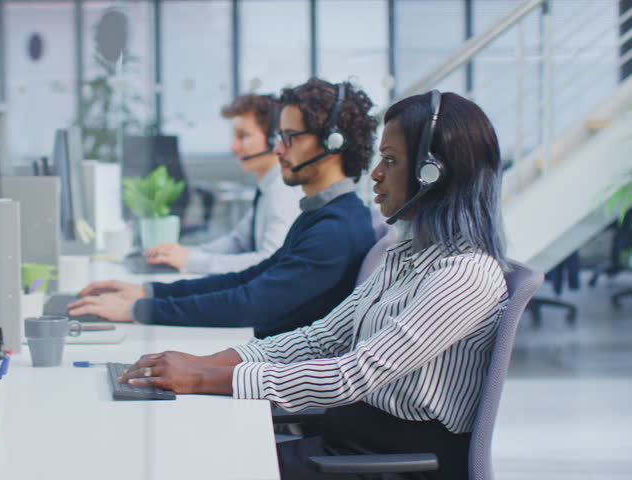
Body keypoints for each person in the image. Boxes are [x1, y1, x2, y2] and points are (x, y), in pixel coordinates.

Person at [115, 91, 510, 480]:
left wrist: (203, 378)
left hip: (395, 464)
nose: (375, 173)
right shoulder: (405, 253)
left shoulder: (466, 276)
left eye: (390, 161)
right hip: (349, 444)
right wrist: (207, 363)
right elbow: (321, 338)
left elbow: (350, 375)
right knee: (190, 449)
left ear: (433, 176)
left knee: (198, 465)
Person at [69, 78, 379, 339]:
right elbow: (247, 279)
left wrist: (137, 310)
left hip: (278, 380)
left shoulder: (336, 229)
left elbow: (251, 302)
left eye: (289, 137)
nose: (278, 148)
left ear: (332, 143)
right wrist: (148, 293)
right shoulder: (323, 215)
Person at [142, 94, 304, 274]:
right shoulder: (268, 185)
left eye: (243, 136)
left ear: (274, 139)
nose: (233, 147)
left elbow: (270, 262)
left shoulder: (283, 189)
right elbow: (238, 241)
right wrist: (185, 253)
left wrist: (192, 261)